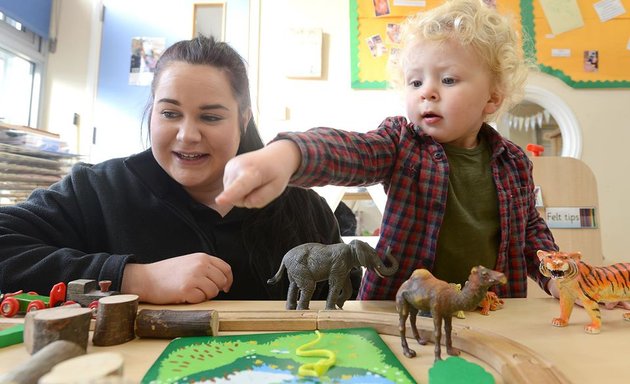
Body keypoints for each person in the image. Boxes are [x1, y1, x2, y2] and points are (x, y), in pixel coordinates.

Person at [216, 0, 560, 300]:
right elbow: (352, 151)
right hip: (400, 311)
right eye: (415, 81)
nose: (427, 92)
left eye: (449, 79)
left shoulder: (514, 162)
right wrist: (288, 154)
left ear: (493, 97)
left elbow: (531, 233)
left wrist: (559, 278)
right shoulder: (401, 142)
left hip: (490, 310)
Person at [0, 35, 355, 305]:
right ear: (152, 112)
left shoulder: (303, 208)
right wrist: (133, 278)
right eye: (170, 113)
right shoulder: (98, 190)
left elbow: (346, 307)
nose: (187, 135)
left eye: (211, 117)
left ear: (243, 119)